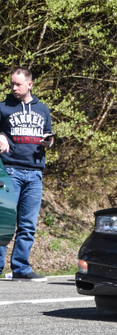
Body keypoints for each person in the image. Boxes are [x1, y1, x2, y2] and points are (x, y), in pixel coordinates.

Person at [0, 67, 53, 282]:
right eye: (12, 83)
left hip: (35, 173)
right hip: (10, 170)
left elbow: (49, 134)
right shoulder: (3, 108)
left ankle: (20, 268)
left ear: (30, 84)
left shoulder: (43, 109)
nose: (14, 88)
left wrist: (49, 141)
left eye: (18, 84)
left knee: (28, 224)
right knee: (4, 221)